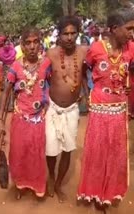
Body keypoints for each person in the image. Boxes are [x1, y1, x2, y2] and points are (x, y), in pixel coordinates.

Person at [77, 9, 134, 209]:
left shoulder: (131, 49)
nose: (131, 33)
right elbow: (84, 71)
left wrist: (129, 84)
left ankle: (110, 192)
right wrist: (86, 93)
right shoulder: (96, 48)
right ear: (114, 29)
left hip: (119, 108)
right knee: (98, 151)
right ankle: (94, 192)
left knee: (116, 152)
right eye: (128, 29)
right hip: (100, 107)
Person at [0, 28, 49, 200]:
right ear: (22, 45)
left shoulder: (46, 64)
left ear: (40, 43)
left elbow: (54, 84)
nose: (32, 46)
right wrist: (0, 121)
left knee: (37, 153)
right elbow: (6, 92)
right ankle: (20, 184)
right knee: (19, 153)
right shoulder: (15, 66)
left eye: (36, 42)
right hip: (20, 118)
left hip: (39, 118)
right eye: (28, 43)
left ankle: (38, 186)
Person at [45, 16, 88, 203]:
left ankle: (58, 184)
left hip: (72, 110)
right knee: (51, 150)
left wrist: (88, 93)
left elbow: (88, 73)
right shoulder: (51, 54)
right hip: (53, 109)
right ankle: (51, 176)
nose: (70, 37)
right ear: (59, 36)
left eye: (73, 33)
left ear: (78, 34)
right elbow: (40, 76)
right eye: (65, 33)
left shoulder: (85, 51)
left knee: (67, 150)